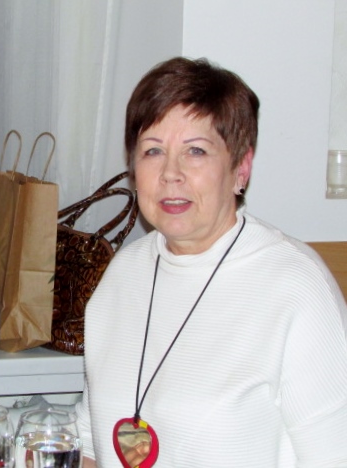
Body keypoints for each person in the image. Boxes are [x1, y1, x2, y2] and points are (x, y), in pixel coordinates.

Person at [76, 57, 347, 467]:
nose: (171, 173)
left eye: (196, 151)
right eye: (153, 151)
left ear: (241, 168)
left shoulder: (296, 286)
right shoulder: (122, 274)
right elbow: (90, 446)